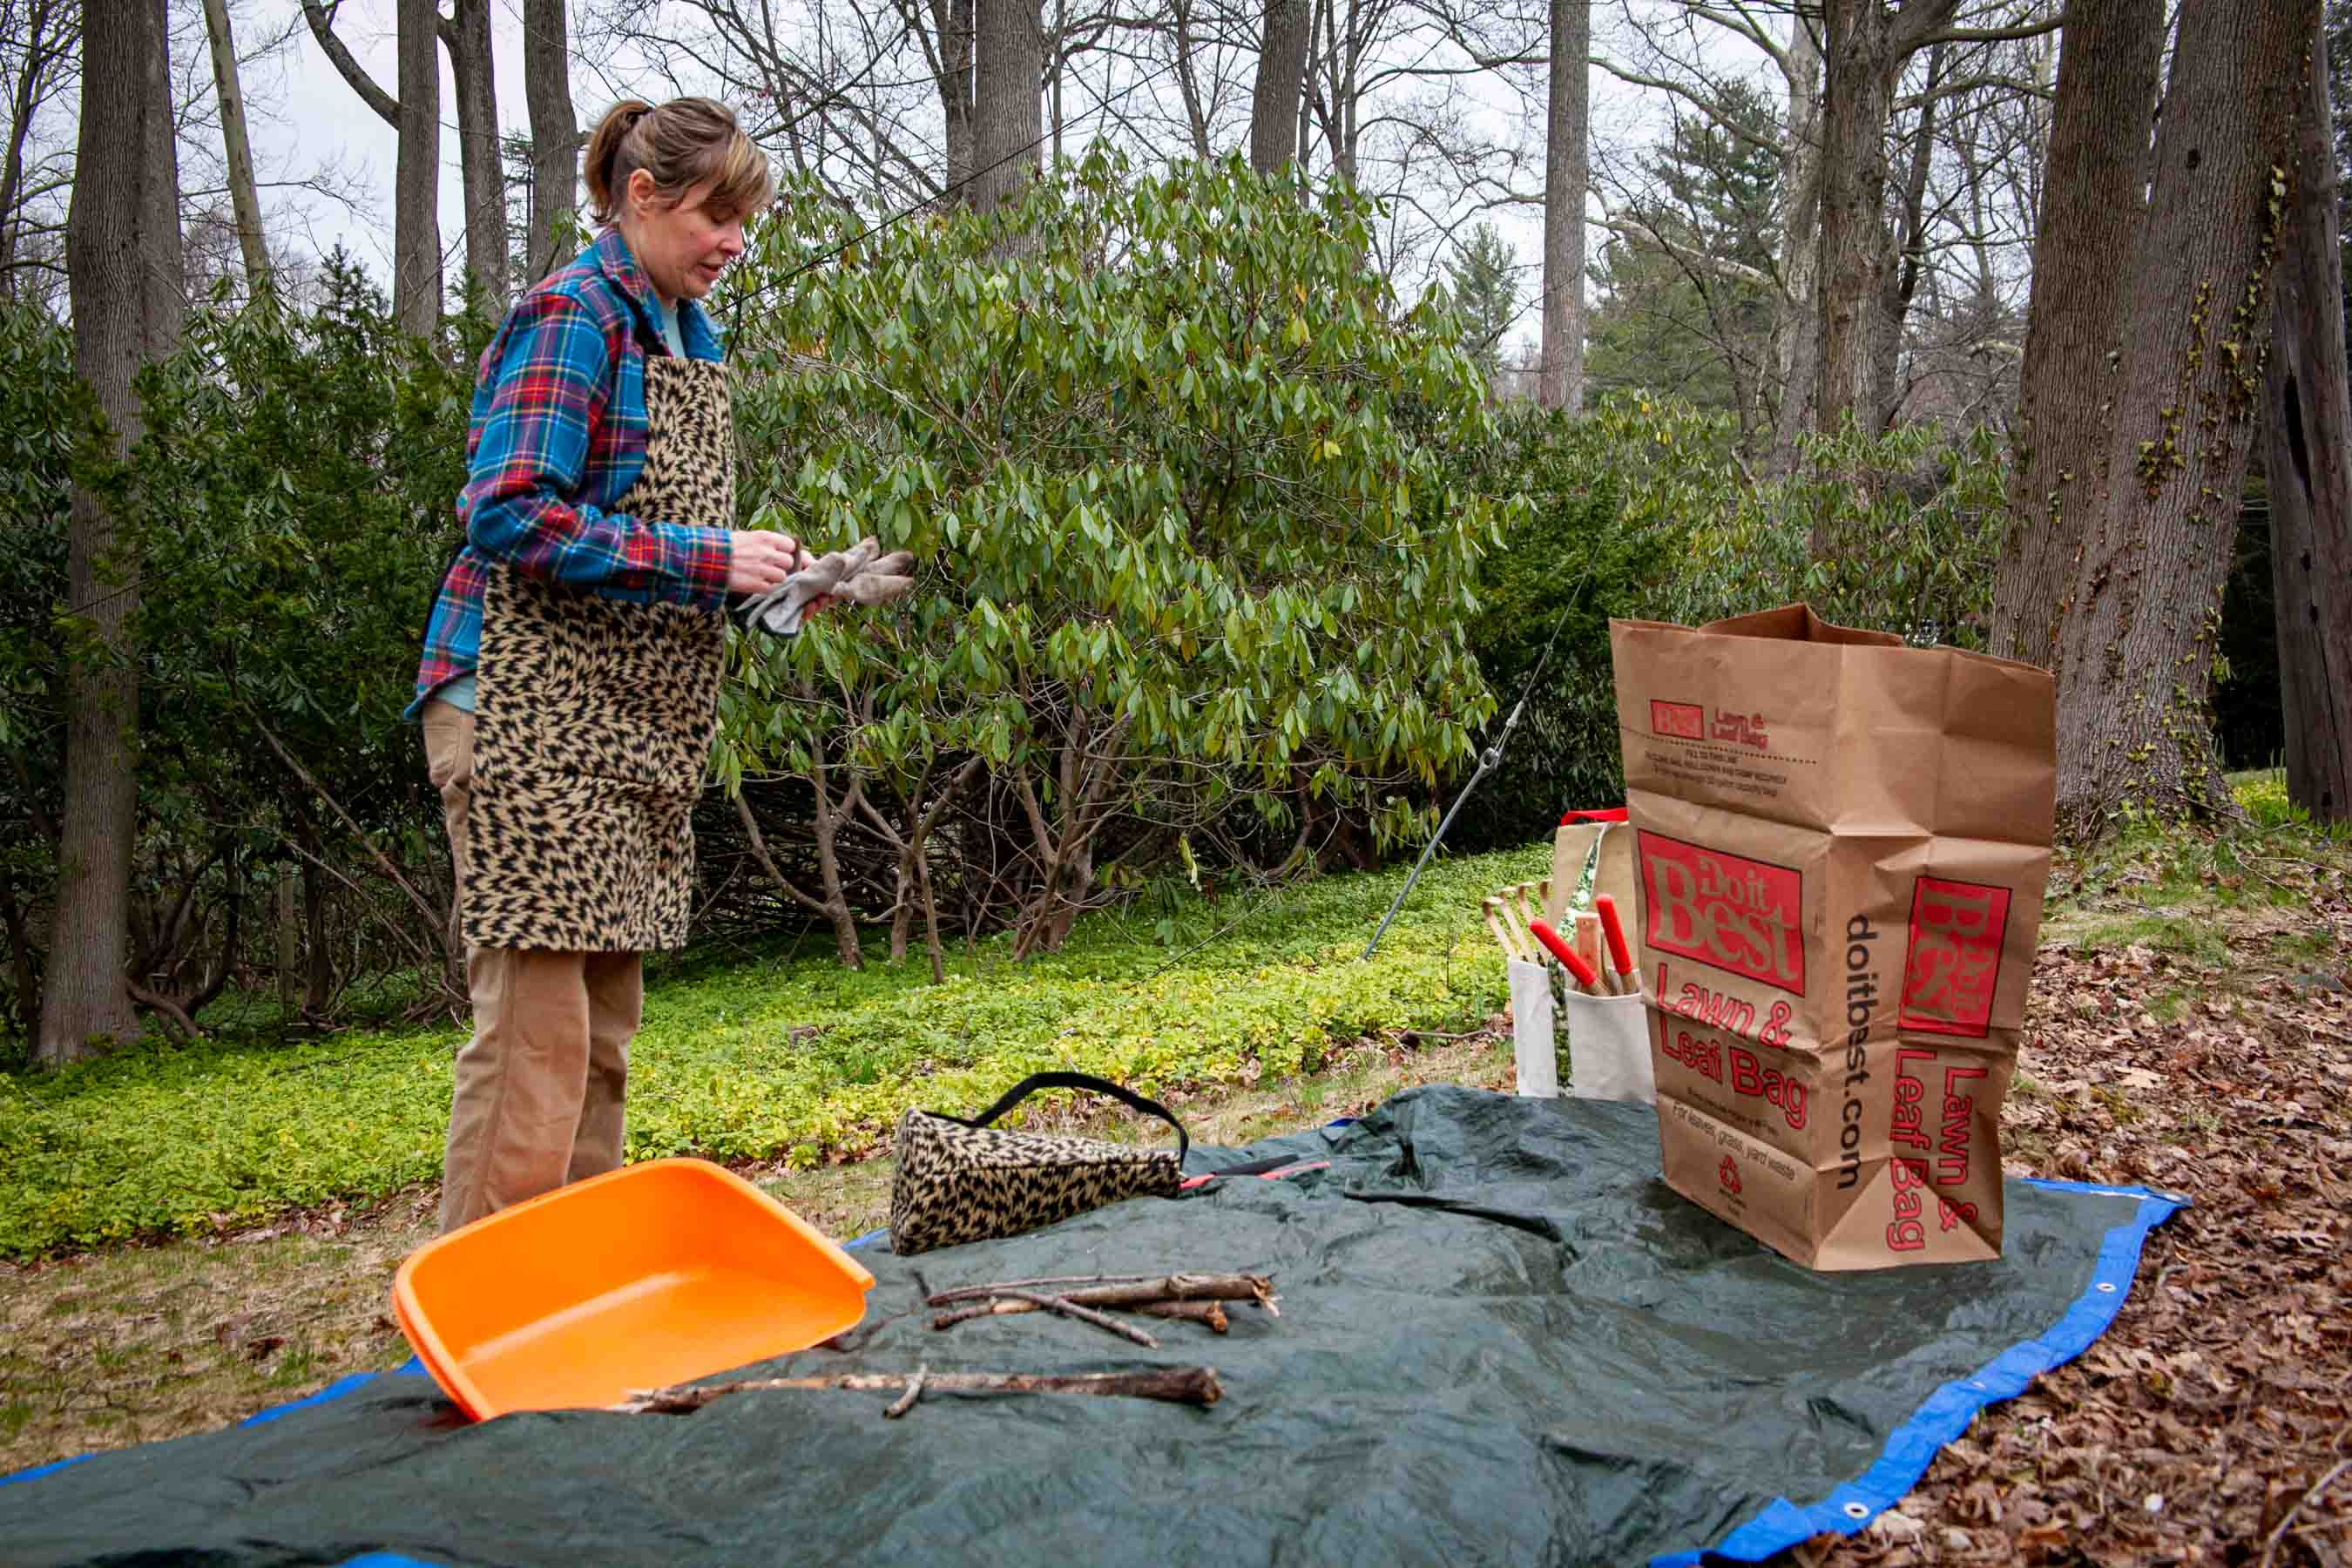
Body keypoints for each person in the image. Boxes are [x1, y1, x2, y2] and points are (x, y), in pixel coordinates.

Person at [409, 97, 806, 1233]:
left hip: (621, 725)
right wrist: (702, 553)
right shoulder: (574, 316)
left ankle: (576, 1294)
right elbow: (508, 512)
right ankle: (484, 1324)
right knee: (538, 1034)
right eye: (715, 214)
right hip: (518, 713)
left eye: (744, 219)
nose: (733, 241)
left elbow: (646, 541)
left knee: (602, 1031)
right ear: (641, 197)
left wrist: (757, 583)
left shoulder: (686, 334)